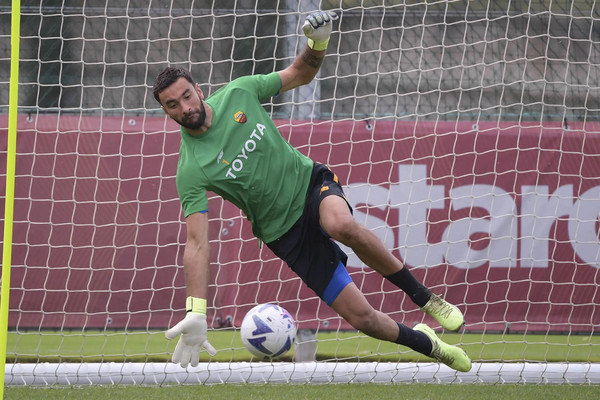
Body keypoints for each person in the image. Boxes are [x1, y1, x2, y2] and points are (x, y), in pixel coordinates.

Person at [152, 10, 471, 373]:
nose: (185, 107)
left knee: (342, 225)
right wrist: (196, 310)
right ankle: (430, 345)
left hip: (310, 185)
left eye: (187, 96)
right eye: (173, 105)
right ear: (166, 111)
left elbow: (301, 73)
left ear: (199, 89)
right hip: (284, 234)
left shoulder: (240, 92)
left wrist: (317, 42)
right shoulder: (191, 167)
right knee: (363, 318)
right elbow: (196, 243)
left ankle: (425, 298)